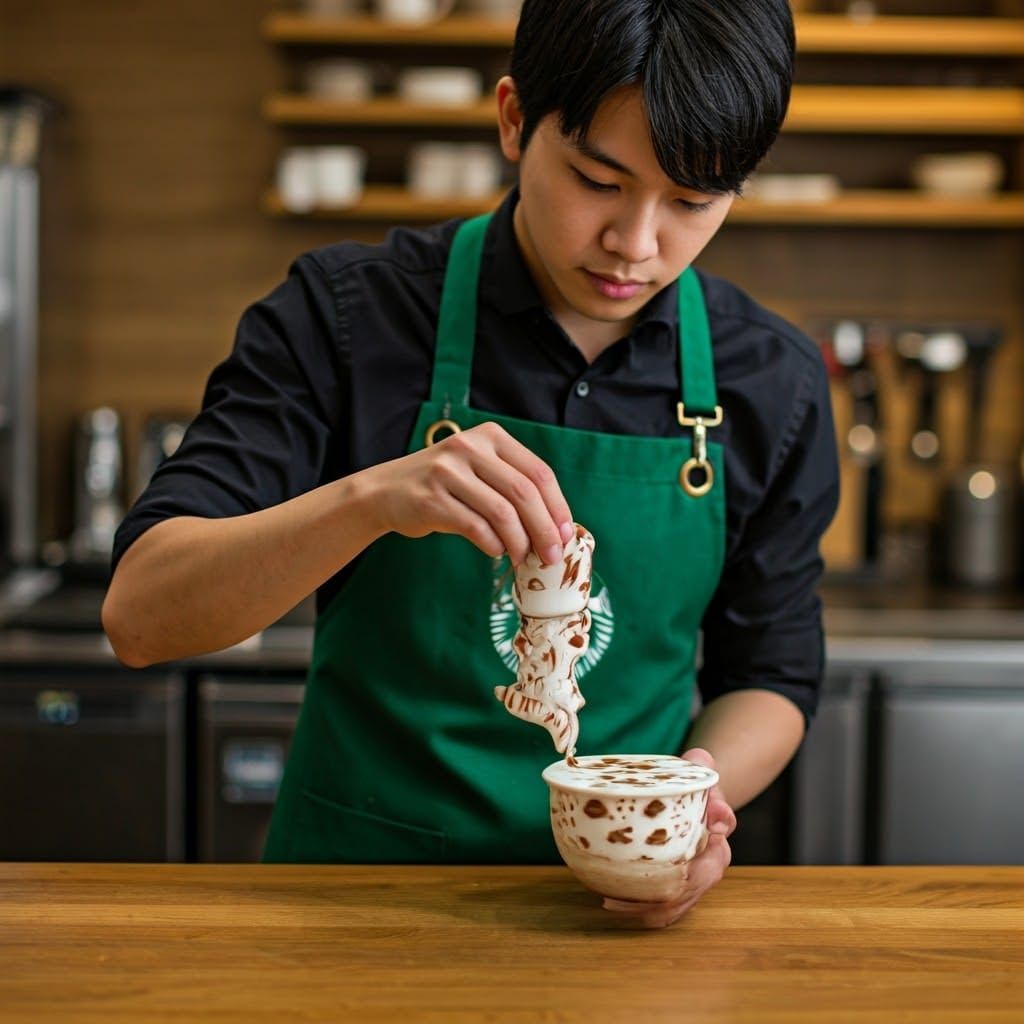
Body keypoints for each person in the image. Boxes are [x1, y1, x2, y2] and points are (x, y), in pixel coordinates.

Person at [103, 0, 838, 928]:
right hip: (350, 909)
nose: (637, 245)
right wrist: (370, 500)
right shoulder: (345, 319)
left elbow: (769, 671)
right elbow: (140, 616)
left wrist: (681, 806)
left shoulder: (772, 379)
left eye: (694, 201)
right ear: (512, 119)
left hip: (607, 922)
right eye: (597, 180)